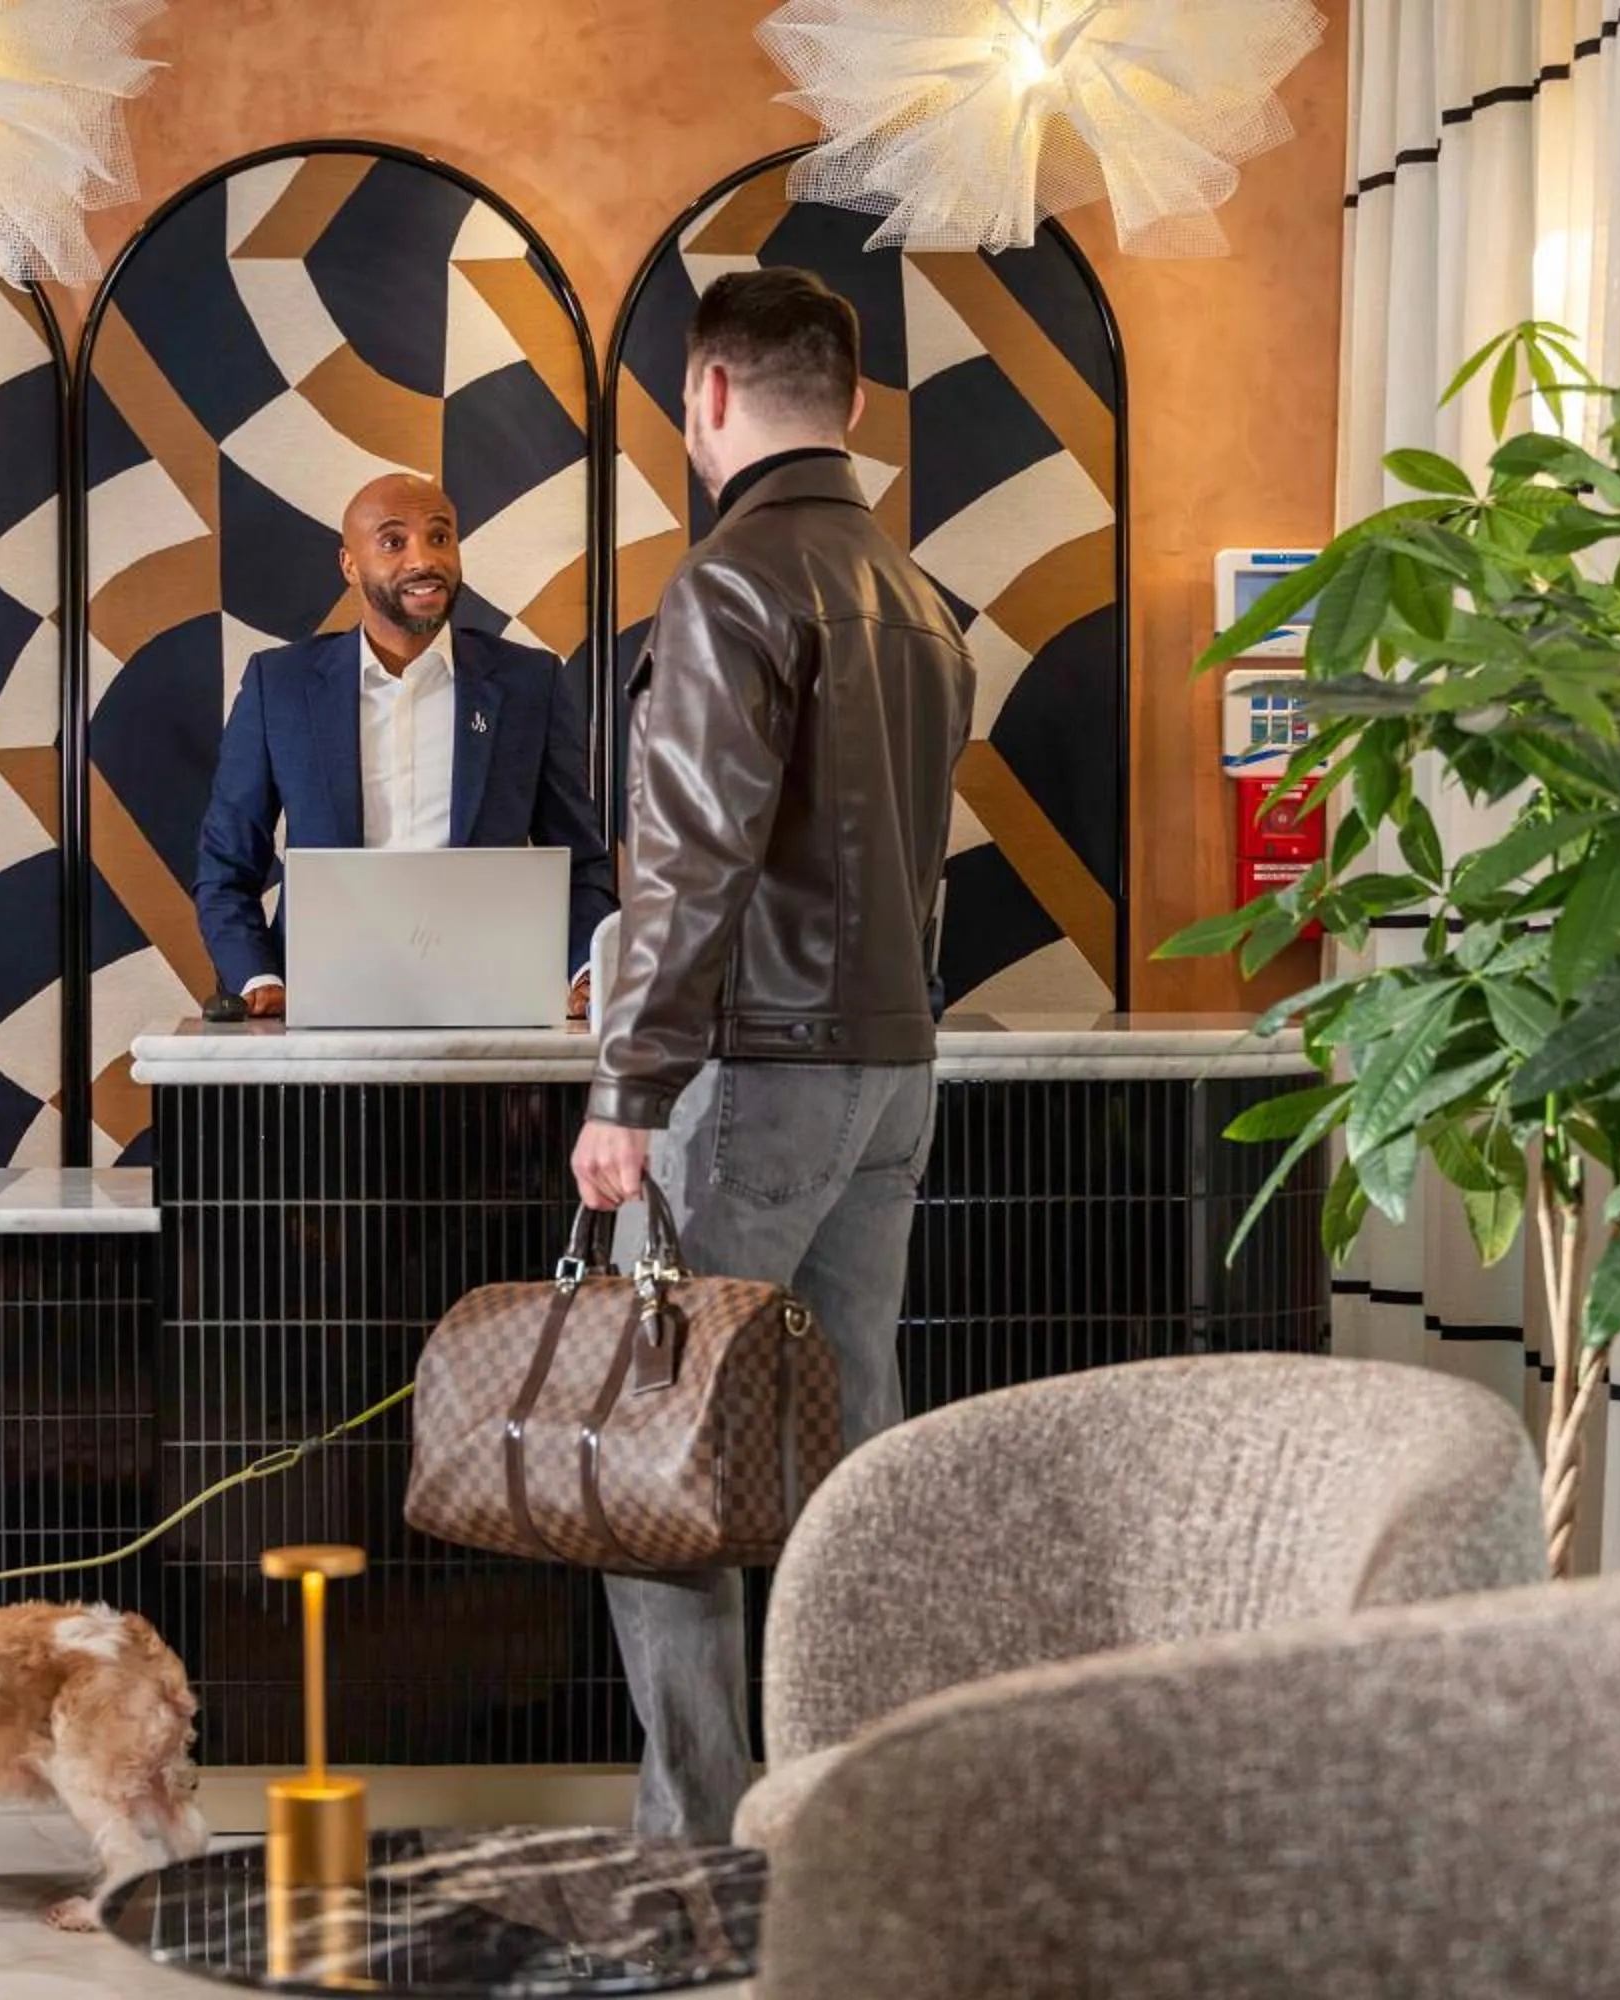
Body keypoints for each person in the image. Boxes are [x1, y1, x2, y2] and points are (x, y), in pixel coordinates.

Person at [571, 268, 973, 1841]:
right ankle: (852, 1829)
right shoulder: (921, 598)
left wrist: (627, 1088)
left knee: (660, 1461)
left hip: (749, 1076)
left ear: (710, 396)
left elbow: (690, 858)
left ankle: (698, 1851)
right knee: (843, 1460)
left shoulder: (731, 582)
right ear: (855, 405)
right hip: (890, 1069)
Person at [193, 473, 616, 1019]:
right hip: (318, 1025)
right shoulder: (281, 688)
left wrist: (588, 969)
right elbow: (226, 867)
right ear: (349, 564)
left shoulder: (530, 684)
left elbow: (581, 864)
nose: (424, 559)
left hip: (492, 1018)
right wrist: (260, 979)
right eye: (393, 542)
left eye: (440, 537)